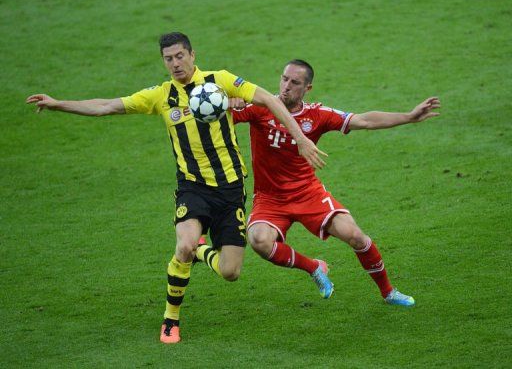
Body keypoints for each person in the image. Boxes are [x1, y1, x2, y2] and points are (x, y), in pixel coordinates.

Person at [26, 34, 327, 344]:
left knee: (230, 272)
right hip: (192, 187)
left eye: (180, 56)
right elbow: (105, 106)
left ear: (192, 55)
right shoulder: (160, 96)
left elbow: (268, 98)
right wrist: (57, 103)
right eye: (168, 58)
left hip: (230, 190)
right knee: (182, 246)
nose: (175, 63)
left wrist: (301, 139)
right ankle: (171, 319)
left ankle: (199, 250)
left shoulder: (220, 80)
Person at [220, 59, 440, 304]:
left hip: (307, 193)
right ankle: (314, 267)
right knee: (259, 241)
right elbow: (214, 116)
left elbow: (364, 120)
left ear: (308, 88)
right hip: (269, 198)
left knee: (355, 235)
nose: (286, 86)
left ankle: (388, 292)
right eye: (284, 79)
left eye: (295, 82)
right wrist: (230, 102)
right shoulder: (259, 107)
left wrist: (408, 117)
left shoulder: (317, 115)